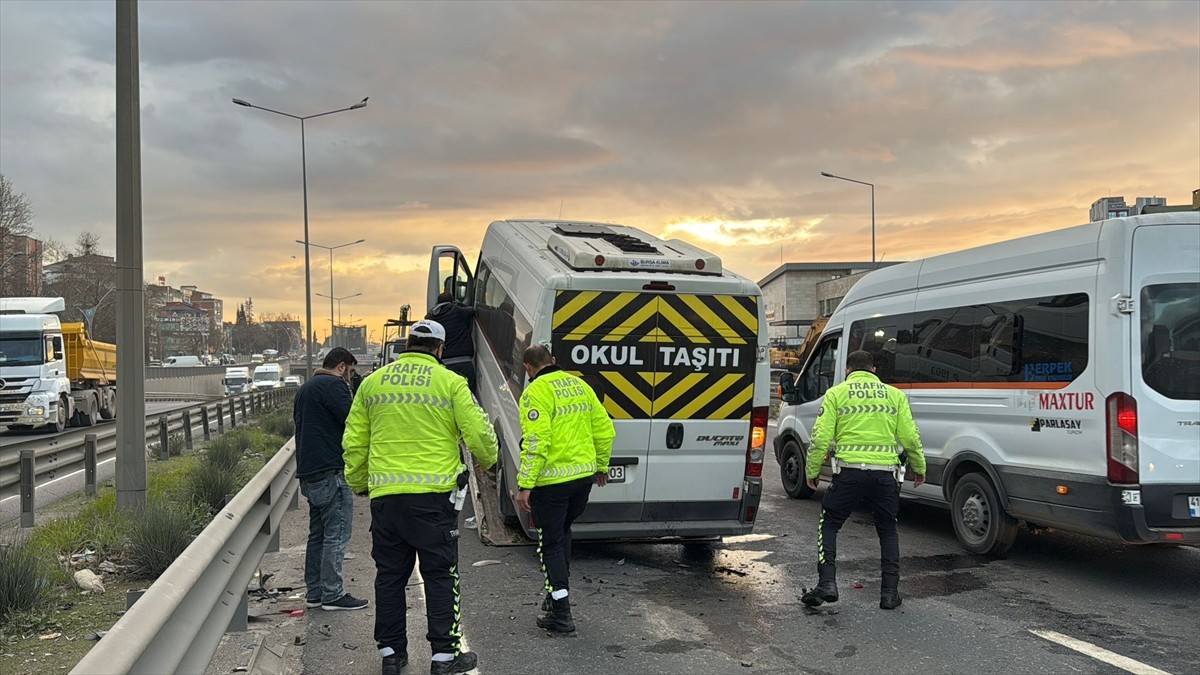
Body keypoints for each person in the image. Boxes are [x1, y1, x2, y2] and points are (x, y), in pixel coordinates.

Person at [344, 319, 499, 675]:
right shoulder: (450, 383)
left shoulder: (372, 384)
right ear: (440, 350)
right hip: (433, 500)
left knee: (389, 576)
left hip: (386, 499)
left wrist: (359, 482)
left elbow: (354, 441)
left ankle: (391, 655)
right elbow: (478, 432)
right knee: (440, 574)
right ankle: (445, 657)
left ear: (407, 344)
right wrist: (491, 461)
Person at [801, 349, 925, 610]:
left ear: (848, 371)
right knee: (888, 530)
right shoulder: (895, 396)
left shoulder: (836, 394)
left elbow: (821, 439)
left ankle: (827, 583)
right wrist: (919, 466)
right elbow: (910, 438)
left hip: (849, 473)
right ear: (874, 370)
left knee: (830, 524)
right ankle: (889, 594)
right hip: (885, 476)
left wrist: (812, 471)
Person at [514, 344, 616, 634]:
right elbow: (605, 429)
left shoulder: (534, 393)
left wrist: (525, 484)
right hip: (582, 480)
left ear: (527, 367)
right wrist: (601, 465)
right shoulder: (580, 386)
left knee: (550, 543)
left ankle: (561, 611)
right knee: (564, 535)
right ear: (554, 361)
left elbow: (536, 441)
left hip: (551, 484)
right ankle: (555, 595)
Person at [293, 347, 369, 612]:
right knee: (336, 534)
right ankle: (333, 594)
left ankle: (315, 592)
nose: (350, 376)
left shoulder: (306, 388)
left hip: (309, 472)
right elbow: (353, 422)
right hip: (331, 470)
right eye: (351, 371)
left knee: (318, 535)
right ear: (341, 366)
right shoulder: (334, 386)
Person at [426, 291, 476, 393]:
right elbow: (471, 311)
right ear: (451, 301)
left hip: (443, 364)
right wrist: (460, 304)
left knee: (446, 395)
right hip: (463, 362)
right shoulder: (456, 310)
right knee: (468, 395)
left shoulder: (431, 317)